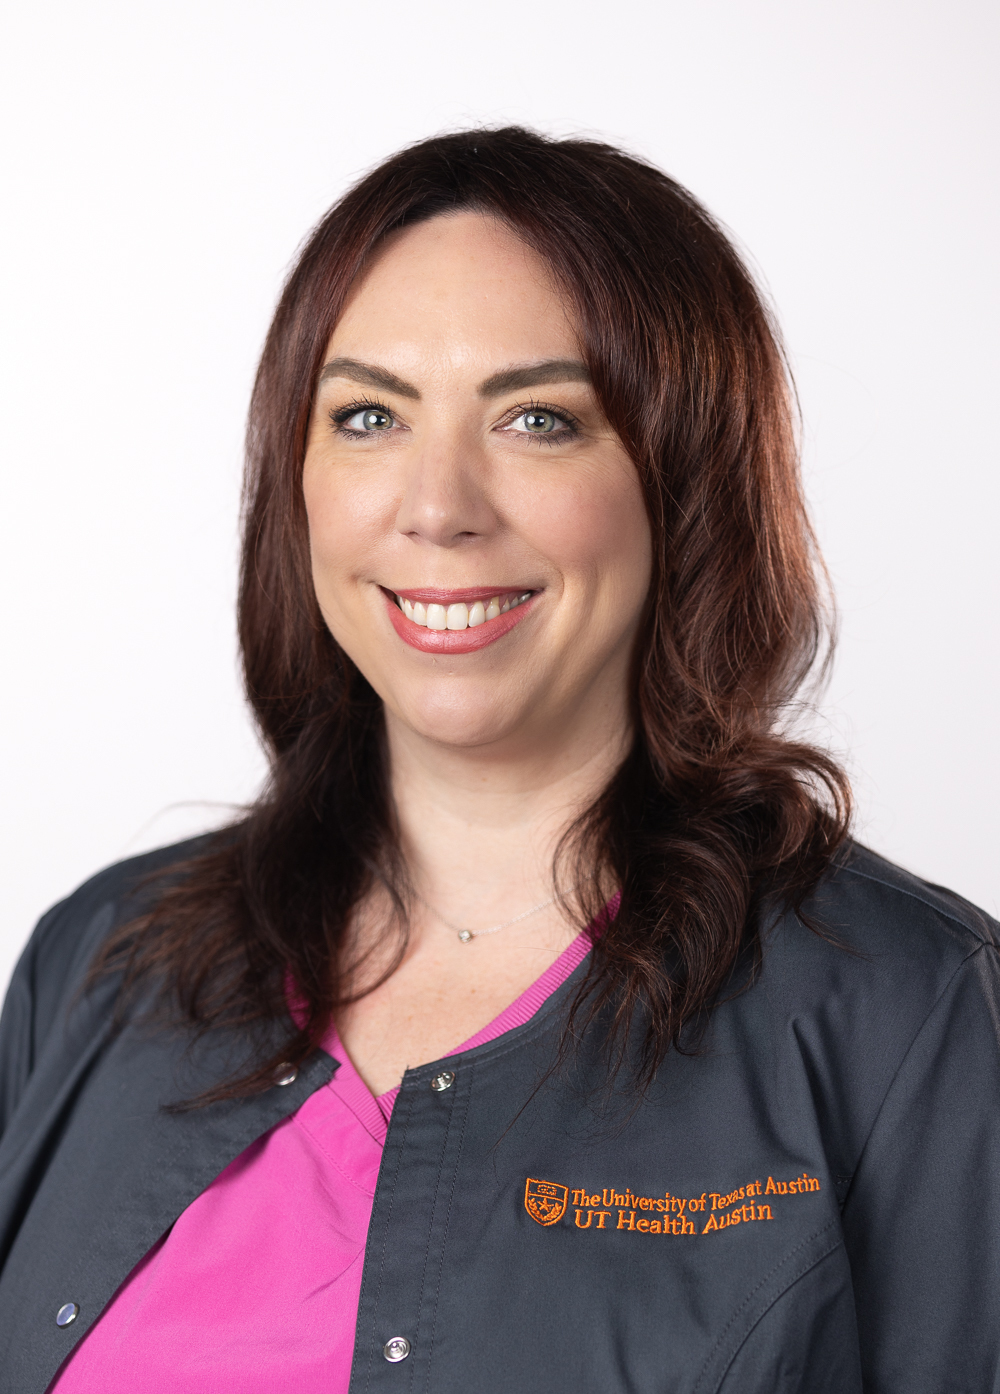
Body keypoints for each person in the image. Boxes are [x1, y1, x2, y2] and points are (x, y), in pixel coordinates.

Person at [1, 127, 998, 1394]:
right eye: (368, 415)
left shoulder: (910, 1014)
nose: (437, 505)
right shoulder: (98, 962)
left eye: (537, 418)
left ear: (682, 478)